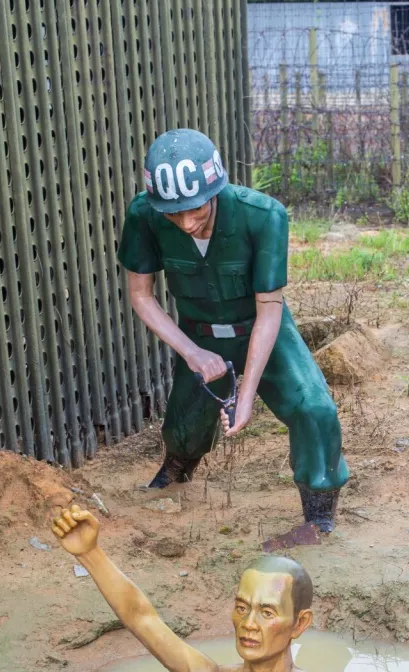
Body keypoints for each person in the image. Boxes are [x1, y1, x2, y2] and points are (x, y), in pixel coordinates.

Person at [118, 129, 349, 532]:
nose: (186, 222)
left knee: (314, 409)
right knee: (185, 426)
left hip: (261, 326)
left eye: (197, 210)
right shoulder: (144, 214)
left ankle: (320, 508)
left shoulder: (264, 215)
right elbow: (141, 295)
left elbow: (269, 310)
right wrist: (192, 352)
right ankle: (178, 467)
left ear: (215, 188)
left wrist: (246, 394)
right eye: (174, 213)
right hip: (199, 333)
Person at [52, 505, 367, 672]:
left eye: (267, 612)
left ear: (300, 624)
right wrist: (90, 553)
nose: (249, 623)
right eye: (242, 607)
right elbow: (142, 618)